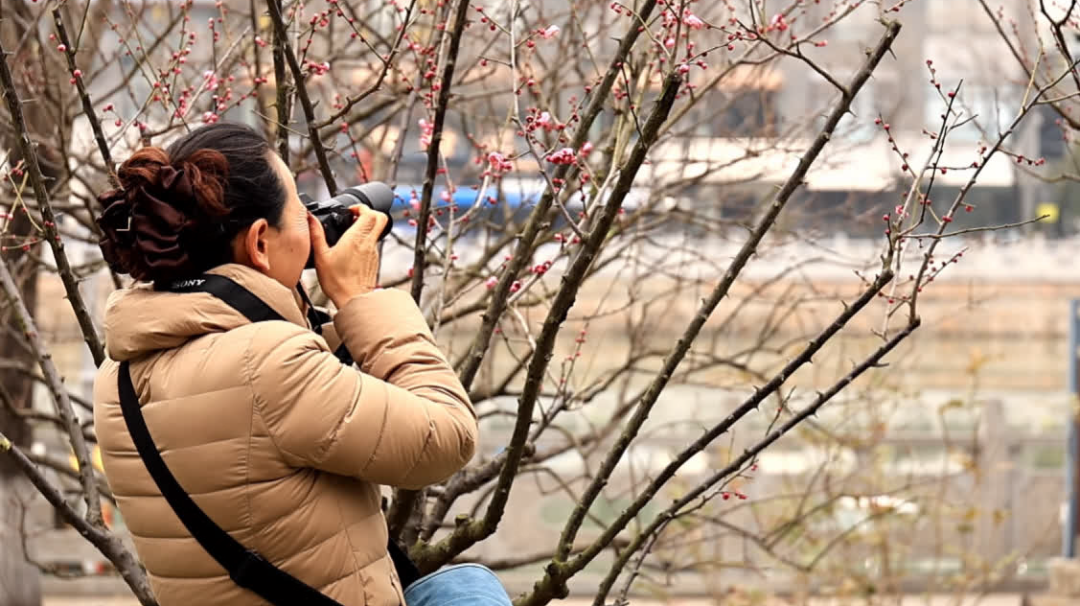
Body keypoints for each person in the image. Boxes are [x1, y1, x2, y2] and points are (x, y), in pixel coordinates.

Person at [92, 122, 497, 605]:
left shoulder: (116, 378)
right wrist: (360, 300)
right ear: (260, 242)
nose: (309, 224)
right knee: (471, 591)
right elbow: (448, 436)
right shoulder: (269, 366)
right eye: (298, 206)